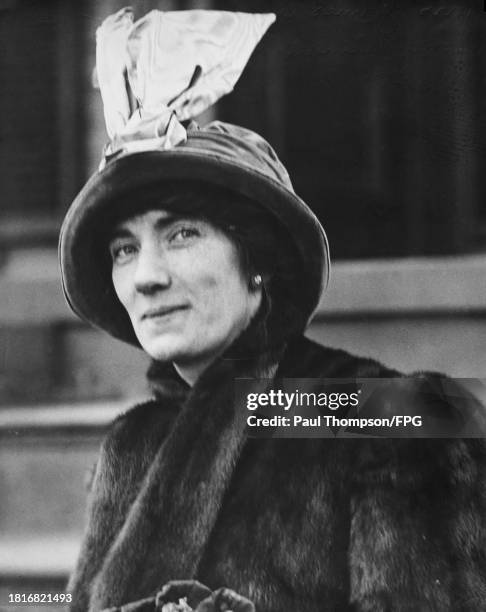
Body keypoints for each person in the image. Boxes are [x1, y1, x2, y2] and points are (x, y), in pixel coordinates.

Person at [59, 8, 486, 612]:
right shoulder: (131, 446)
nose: (147, 276)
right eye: (124, 248)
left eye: (181, 234)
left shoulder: (394, 415)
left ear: (257, 265)